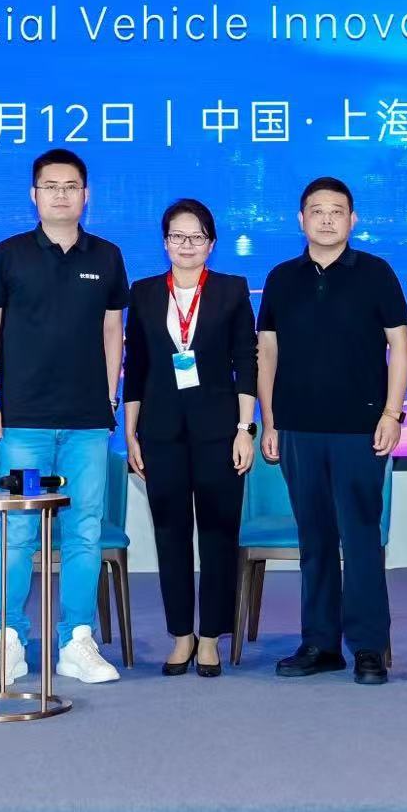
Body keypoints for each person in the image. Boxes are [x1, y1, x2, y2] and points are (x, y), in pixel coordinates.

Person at [0, 148, 130, 686]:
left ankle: (76, 640)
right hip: (25, 423)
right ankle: (9, 640)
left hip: (87, 423)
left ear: (86, 195)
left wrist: (109, 398)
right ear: (34, 195)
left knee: (84, 530)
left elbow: (113, 331)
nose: (61, 194)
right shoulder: (8, 254)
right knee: (18, 530)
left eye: (71, 186)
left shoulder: (107, 256)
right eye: (50, 186)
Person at [257, 177, 407, 685]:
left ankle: (368, 646)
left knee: (361, 537)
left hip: (359, 429)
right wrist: (270, 420)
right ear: (301, 219)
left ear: (352, 219)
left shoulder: (376, 273)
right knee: (315, 538)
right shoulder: (281, 278)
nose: (326, 219)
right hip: (298, 427)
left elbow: (400, 345)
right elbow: (267, 353)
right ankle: (320, 643)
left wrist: (392, 413)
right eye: (317, 210)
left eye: (337, 210)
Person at [124, 199, 258, 677]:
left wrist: (245, 429)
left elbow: (246, 362)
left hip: (220, 431)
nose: (187, 245)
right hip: (160, 433)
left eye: (196, 237)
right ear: (165, 243)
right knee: (170, 533)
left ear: (211, 244)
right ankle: (181, 634)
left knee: (220, 532)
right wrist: (131, 432)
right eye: (178, 237)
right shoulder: (143, 293)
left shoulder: (230, 290)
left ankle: (211, 637)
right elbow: (136, 368)